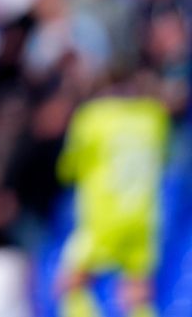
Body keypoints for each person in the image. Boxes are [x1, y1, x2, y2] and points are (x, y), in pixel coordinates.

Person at [56, 66, 169, 317]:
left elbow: (67, 169)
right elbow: (163, 158)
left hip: (103, 217)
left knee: (70, 283)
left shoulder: (91, 117)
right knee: (137, 294)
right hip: (143, 217)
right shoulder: (153, 116)